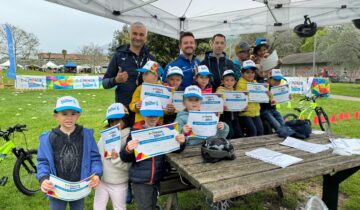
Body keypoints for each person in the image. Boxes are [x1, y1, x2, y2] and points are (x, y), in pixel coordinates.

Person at [37, 96, 102, 210]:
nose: (69, 118)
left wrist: (96, 174)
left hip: (79, 187)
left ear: (78, 115)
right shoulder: (48, 138)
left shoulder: (86, 136)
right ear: (56, 116)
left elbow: (94, 158)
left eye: (73, 113)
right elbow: (43, 161)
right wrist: (43, 178)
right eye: (64, 113)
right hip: (56, 188)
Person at [120, 97, 186, 210]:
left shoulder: (164, 131)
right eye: (149, 115)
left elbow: (175, 149)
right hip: (140, 180)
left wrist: (181, 143)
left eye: (155, 115)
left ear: (160, 115)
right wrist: (128, 149)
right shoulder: (135, 132)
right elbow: (125, 157)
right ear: (143, 114)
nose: (152, 118)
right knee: (144, 207)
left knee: (152, 203)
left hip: (156, 177)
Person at [103, 22, 156, 125]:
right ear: (129, 35)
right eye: (134, 33)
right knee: (125, 140)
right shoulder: (118, 56)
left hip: (144, 111)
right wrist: (116, 80)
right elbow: (105, 83)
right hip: (124, 110)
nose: (137, 37)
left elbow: (158, 81)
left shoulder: (151, 59)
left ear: (146, 37)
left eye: (141, 34)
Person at [93, 103, 131, 210]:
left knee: (119, 208)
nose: (115, 124)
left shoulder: (129, 138)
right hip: (102, 180)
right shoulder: (105, 135)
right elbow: (97, 154)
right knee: (97, 207)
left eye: (118, 120)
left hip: (118, 183)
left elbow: (129, 166)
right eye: (112, 121)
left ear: (126, 119)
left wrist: (116, 159)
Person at [236, 60, 264, 137]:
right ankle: (248, 147)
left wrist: (267, 94)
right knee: (253, 131)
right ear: (242, 74)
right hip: (245, 113)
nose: (250, 74)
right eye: (247, 72)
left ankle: (258, 147)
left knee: (260, 130)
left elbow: (263, 97)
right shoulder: (240, 84)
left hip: (256, 112)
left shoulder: (256, 83)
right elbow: (240, 99)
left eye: (252, 72)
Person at [216, 70, 243, 139]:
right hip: (225, 117)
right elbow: (216, 103)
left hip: (235, 117)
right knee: (230, 134)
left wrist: (243, 108)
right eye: (227, 80)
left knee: (239, 133)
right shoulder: (220, 91)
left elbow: (239, 106)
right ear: (222, 81)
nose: (229, 82)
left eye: (232, 80)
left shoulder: (237, 93)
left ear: (235, 82)